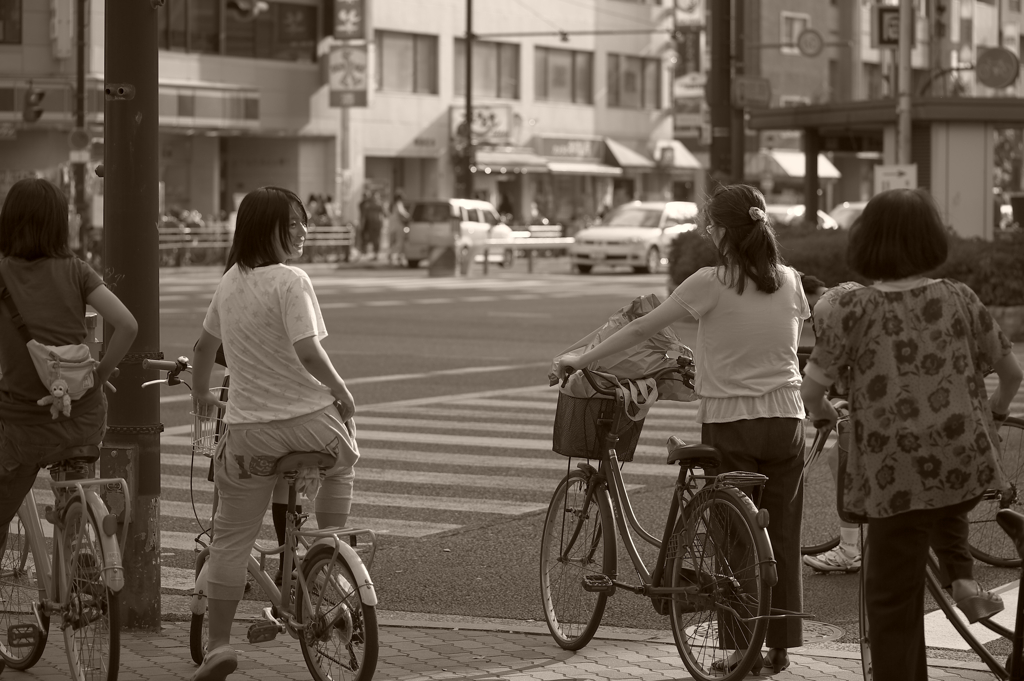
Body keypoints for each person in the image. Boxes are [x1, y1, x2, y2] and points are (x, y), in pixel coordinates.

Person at [553, 184, 808, 675]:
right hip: (787, 422)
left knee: (736, 540)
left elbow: (640, 329)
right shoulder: (789, 280)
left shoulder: (710, 281)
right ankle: (778, 646)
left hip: (732, 424)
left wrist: (579, 358)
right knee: (780, 536)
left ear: (723, 233)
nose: (708, 233)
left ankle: (743, 651)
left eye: (710, 225)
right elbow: (786, 340)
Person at [802, 188, 1023, 681]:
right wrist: (996, 412)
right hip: (960, 461)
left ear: (868, 242)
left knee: (891, 604)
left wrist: (822, 415)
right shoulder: (959, 297)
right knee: (946, 502)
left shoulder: (849, 310)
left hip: (893, 476)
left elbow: (811, 390)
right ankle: (962, 579)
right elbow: (1010, 374)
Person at [190, 186, 360, 681]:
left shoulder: (228, 284)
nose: (302, 231)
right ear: (266, 229)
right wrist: (342, 392)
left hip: (247, 435)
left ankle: (219, 646)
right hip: (310, 424)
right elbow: (308, 352)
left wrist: (201, 396)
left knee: (230, 541)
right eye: (293, 223)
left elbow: (203, 349)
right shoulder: (291, 281)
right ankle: (327, 551)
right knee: (345, 458)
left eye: (303, 222)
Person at [0, 178, 138, 565]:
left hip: (23, 426)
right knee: (72, 487)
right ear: (60, 224)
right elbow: (128, 325)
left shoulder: (3, 274)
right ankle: (78, 553)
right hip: (83, 419)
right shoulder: (77, 271)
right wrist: (99, 374)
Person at [799, 274, 867, 574]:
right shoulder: (847, 288)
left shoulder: (823, 308)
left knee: (843, 458)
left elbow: (831, 362)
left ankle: (850, 550)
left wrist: (819, 403)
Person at [387, 189, 410, 265]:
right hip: (398, 226)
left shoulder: (393, 204)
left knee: (395, 242)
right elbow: (402, 213)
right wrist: (409, 216)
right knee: (399, 242)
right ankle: (394, 255)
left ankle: (396, 257)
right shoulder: (398, 204)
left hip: (392, 226)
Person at [361, 191, 385, 261]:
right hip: (370, 224)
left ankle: (376, 254)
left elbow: (384, 214)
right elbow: (364, 215)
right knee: (369, 238)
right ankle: (366, 252)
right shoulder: (368, 205)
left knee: (377, 239)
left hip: (377, 224)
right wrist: (362, 224)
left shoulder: (380, 204)